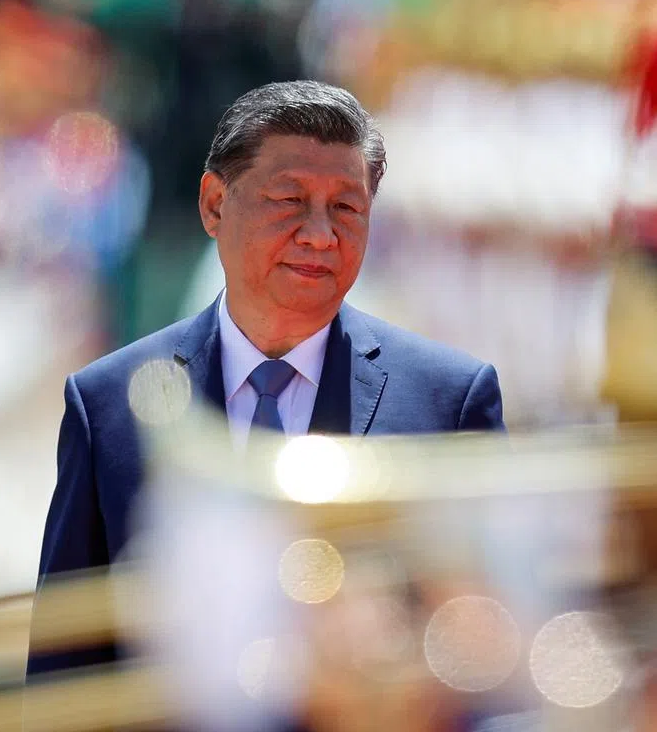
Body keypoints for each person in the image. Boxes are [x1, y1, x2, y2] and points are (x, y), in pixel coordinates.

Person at [27, 81, 505, 676]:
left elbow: (486, 654)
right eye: (289, 200)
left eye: (347, 208)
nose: (320, 234)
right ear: (214, 205)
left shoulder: (448, 402)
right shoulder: (109, 405)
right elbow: (65, 662)